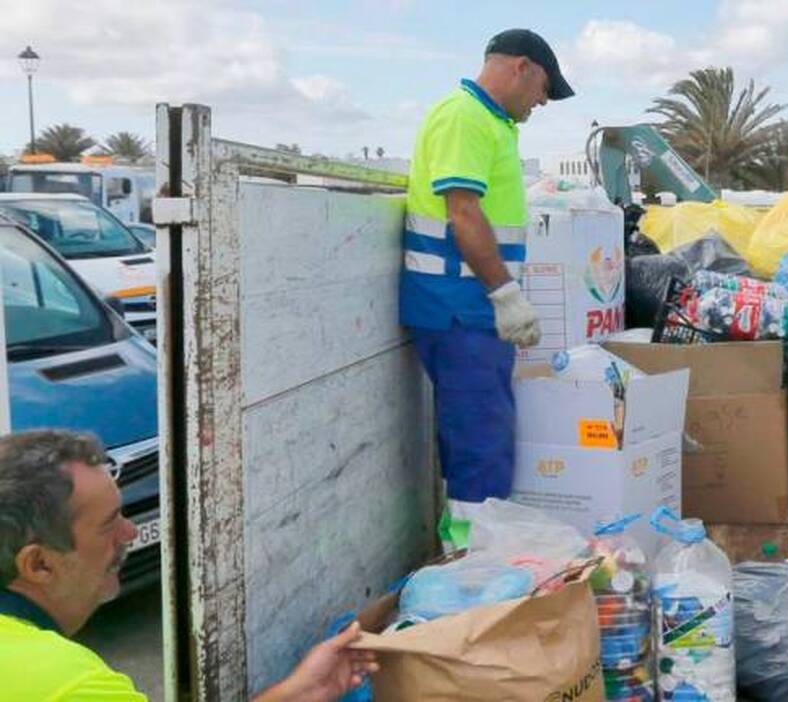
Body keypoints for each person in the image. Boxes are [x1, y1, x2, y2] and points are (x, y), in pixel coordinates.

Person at [0, 430, 378, 701]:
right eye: (108, 524)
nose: (129, 533)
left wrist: (306, 689)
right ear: (39, 564)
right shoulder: (69, 685)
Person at [400, 29, 574, 548]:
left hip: (469, 311)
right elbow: (463, 211)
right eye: (545, 87)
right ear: (521, 67)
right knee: (480, 440)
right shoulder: (465, 116)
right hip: (459, 309)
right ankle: (475, 559)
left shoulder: (490, 122)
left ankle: (475, 544)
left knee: (482, 435)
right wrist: (505, 295)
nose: (543, 101)